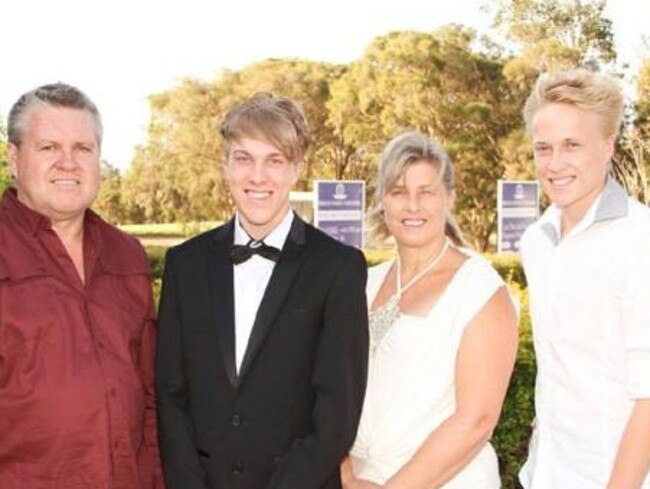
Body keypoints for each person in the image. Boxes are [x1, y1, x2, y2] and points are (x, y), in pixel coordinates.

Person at [155, 92, 369, 489]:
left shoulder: (338, 267)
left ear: (296, 169)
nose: (258, 176)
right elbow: (170, 395)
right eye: (244, 158)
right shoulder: (185, 264)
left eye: (274, 160)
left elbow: (337, 411)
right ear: (225, 165)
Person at [0, 83, 162, 488]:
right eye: (49, 148)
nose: (68, 163)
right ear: (14, 157)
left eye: (83, 149)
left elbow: (150, 397)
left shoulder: (127, 256)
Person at [343, 131, 519, 488]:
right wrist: (345, 474)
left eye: (426, 192)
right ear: (382, 201)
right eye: (398, 192)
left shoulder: (481, 290)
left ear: (449, 197)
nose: (412, 206)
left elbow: (476, 420)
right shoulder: (363, 283)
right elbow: (329, 390)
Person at [519, 69, 650, 488]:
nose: (555, 164)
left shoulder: (639, 239)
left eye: (572, 145)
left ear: (608, 146)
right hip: (547, 474)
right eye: (544, 148)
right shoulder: (535, 242)